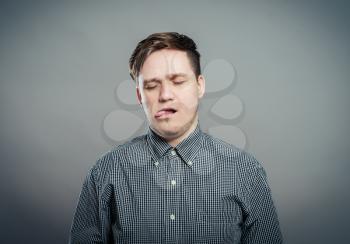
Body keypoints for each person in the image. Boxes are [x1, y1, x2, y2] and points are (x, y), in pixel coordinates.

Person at [69, 32, 283, 243]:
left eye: (178, 81)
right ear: (139, 96)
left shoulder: (246, 171)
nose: (165, 95)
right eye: (152, 86)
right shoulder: (106, 171)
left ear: (200, 85)